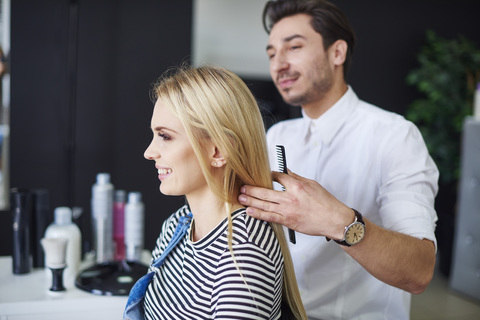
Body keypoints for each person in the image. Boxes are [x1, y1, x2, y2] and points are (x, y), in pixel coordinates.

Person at [237, 1, 439, 319]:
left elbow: (420, 271)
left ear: (337, 53)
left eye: (294, 47)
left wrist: (338, 221)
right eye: (272, 54)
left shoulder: (395, 136)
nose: (279, 65)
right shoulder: (277, 137)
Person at [142, 65, 307, 319]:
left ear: (217, 151)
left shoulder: (244, 254)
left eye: (165, 136)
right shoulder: (177, 225)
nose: (149, 152)